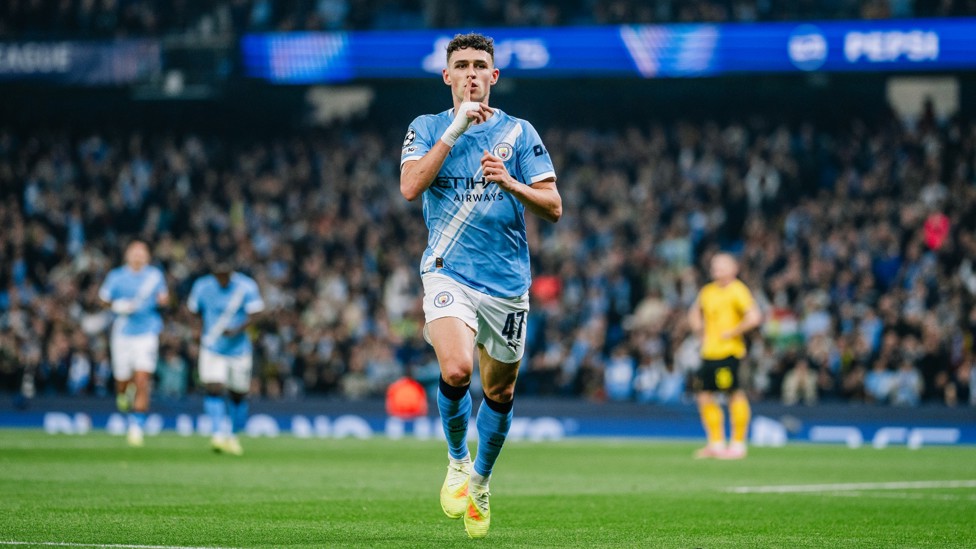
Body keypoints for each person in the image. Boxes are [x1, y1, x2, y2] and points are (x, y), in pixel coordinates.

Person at [399, 32, 561, 539]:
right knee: (456, 368)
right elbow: (409, 187)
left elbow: (553, 206)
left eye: (480, 66)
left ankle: (482, 481)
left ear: (494, 76)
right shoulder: (426, 128)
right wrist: (455, 129)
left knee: (500, 389)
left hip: (507, 284)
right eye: (462, 65)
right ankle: (456, 459)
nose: (471, 74)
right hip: (447, 270)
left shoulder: (518, 133)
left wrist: (510, 182)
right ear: (447, 76)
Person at [687, 252, 762, 459]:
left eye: (721, 266)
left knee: (733, 393)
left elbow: (754, 316)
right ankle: (716, 443)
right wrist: (699, 330)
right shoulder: (708, 291)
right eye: (714, 265)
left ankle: (738, 444)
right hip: (708, 352)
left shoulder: (737, 290)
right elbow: (694, 312)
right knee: (703, 396)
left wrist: (734, 331)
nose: (716, 269)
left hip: (729, 352)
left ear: (733, 268)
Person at [187, 261, 265, 456]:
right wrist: (196, 330)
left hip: (238, 350)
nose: (222, 278)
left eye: (225, 274)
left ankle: (233, 435)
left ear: (231, 272)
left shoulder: (246, 286)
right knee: (213, 387)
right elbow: (193, 310)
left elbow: (257, 313)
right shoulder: (202, 286)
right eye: (218, 274)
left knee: (238, 393)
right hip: (212, 346)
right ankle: (217, 435)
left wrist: (238, 329)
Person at [98, 240, 169, 447]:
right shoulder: (116, 276)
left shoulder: (155, 276)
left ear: (147, 256)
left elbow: (164, 299)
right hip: (122, 334)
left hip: (147, 332)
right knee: (122, 380)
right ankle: (122, 394)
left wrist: (163, 301)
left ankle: (136, 427)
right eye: (134, 253)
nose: (138, 256)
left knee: (142, 378)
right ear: (127, 256)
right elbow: (103, 299)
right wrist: (117, 305)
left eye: (142, 253)